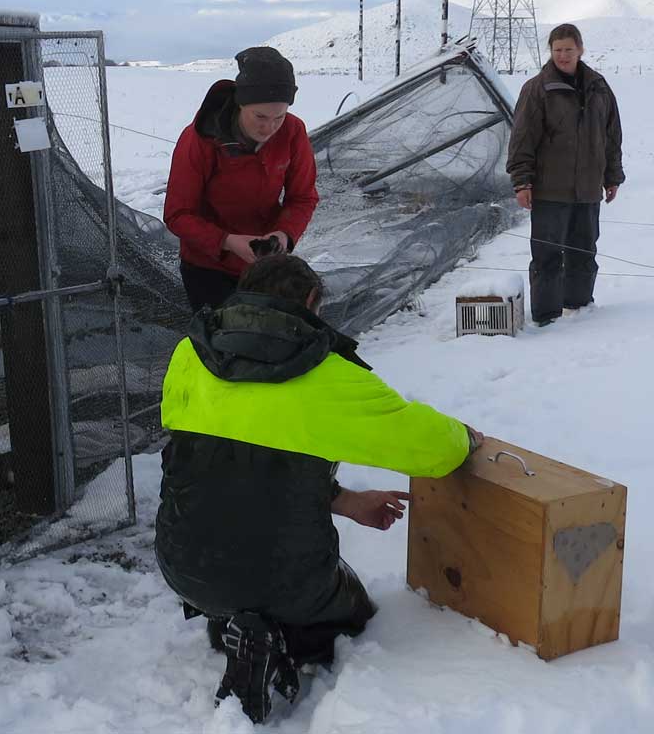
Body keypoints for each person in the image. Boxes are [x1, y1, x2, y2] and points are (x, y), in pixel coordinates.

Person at [155, 254, 482, 724]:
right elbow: (430, 449)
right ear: (309, 304)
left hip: (184, 564)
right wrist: (466, 439)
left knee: (234, 578)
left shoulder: (190, 353)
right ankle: (275, 641)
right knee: (350, 613)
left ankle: (233, 623)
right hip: (286, 577)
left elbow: (227, 462)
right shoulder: (327, 373)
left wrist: (344, 501)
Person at [163, 47, 319, 313]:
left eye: (278, 117)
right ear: (240, 103)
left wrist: (283, 235)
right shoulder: (200, 139)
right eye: (260, 117)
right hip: (208, 267)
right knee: (225, 345)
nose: (269, 127)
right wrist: (227, 241)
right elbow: (177, 214)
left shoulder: (293, 132)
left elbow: (303, 197)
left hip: (266, 267)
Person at [507, 23, 624, 327]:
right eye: (557, 50)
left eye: (568, 49)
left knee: (584, 250)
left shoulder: (599, 86)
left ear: (580, 49)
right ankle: (546, 317)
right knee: (547, 255)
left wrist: (612, 177)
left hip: (587, 190)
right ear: (551, 51)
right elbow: (522, 139)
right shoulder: (537, 88)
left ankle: (580, 307)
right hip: (549, 190)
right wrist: (522, 182)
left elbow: (611, 136)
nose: (562, 55)